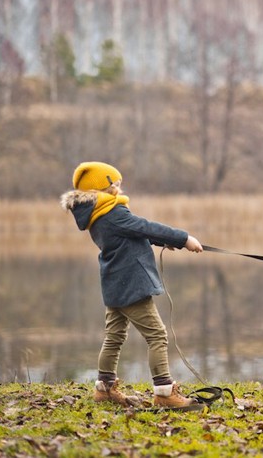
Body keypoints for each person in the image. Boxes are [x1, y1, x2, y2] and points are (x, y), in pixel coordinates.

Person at [60, 161, 204, 409]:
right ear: (102, 187)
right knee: (157, 335)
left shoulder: (96, 215)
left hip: (115, 284)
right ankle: (164, 392)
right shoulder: (113, 213)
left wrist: (162, 241)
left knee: (114, 336)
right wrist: (184, 238)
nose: (119, 187)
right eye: (115, 183)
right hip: (131, 286)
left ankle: (104, 388)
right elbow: (144, 226)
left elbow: (133, 234)